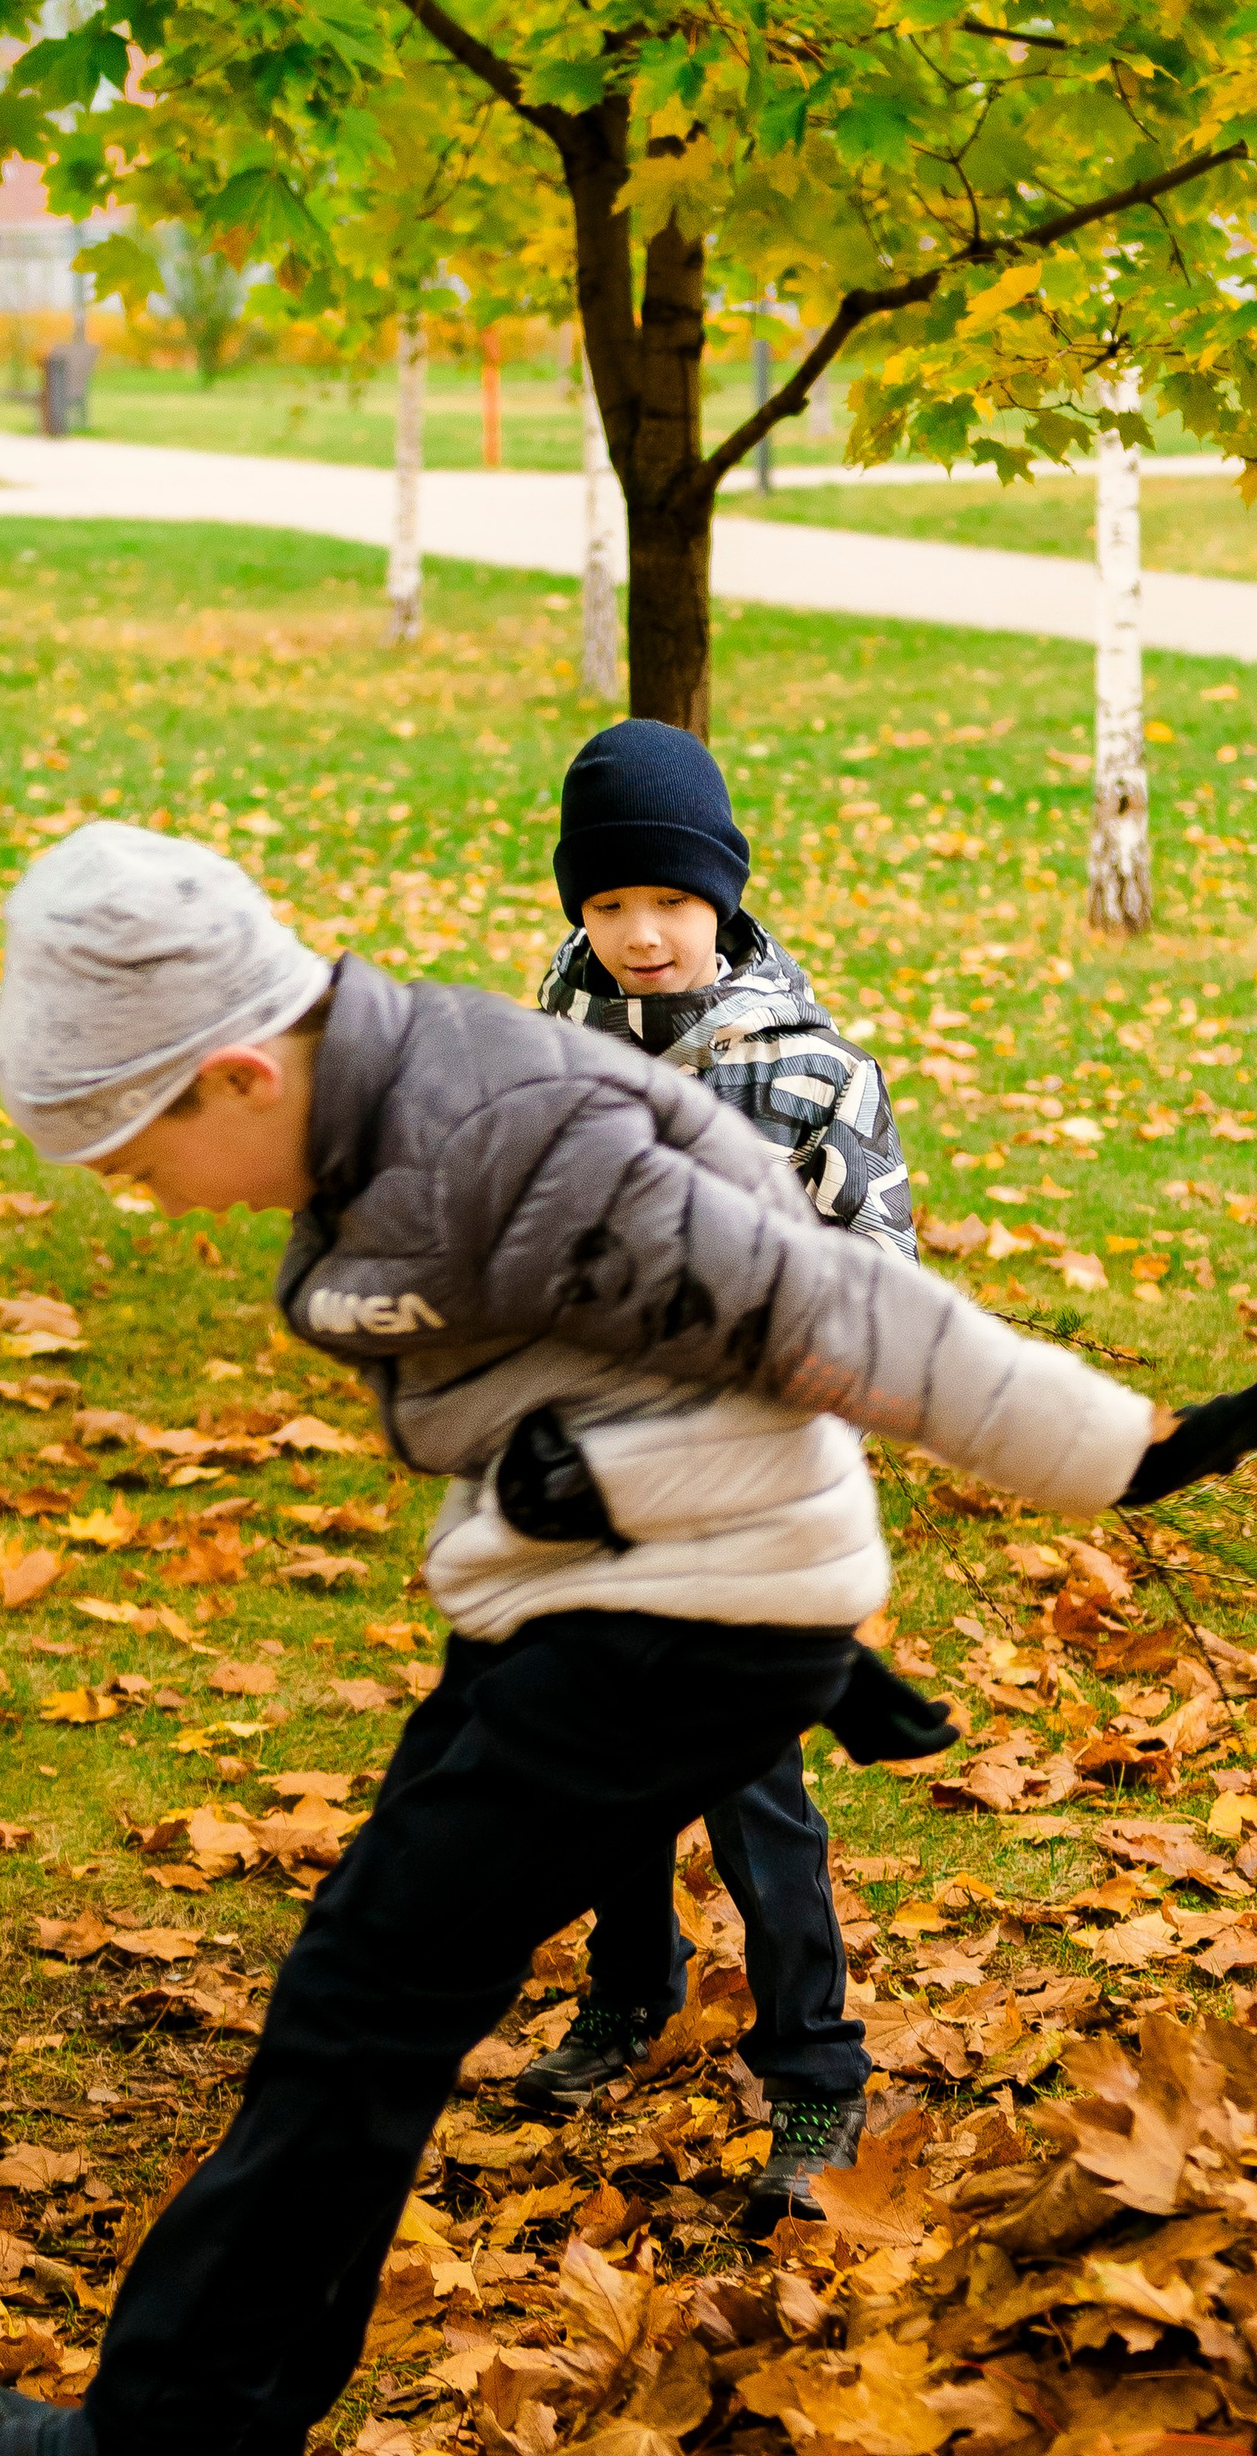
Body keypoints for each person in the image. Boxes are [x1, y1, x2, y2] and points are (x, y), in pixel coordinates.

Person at [0, 817, 1257, 2456]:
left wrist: (1119, 1450)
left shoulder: (506, 1134)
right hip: (606, 1600)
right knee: (359, 2022)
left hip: (664, 1630)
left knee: (356, 2023)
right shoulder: (406, 1117)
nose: (148, 1199)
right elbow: (617, 1388)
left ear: (237, 1072)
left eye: (137, 1156)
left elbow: (829, 1301)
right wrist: (804, 1625)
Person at [522, 718, 910, 2223]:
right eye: (610, 903)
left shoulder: (811, 1073)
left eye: (670, 901)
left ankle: (815, 2072)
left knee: (755, 1794)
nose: (641, 933)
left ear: (724, 898)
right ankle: (632, 1991)